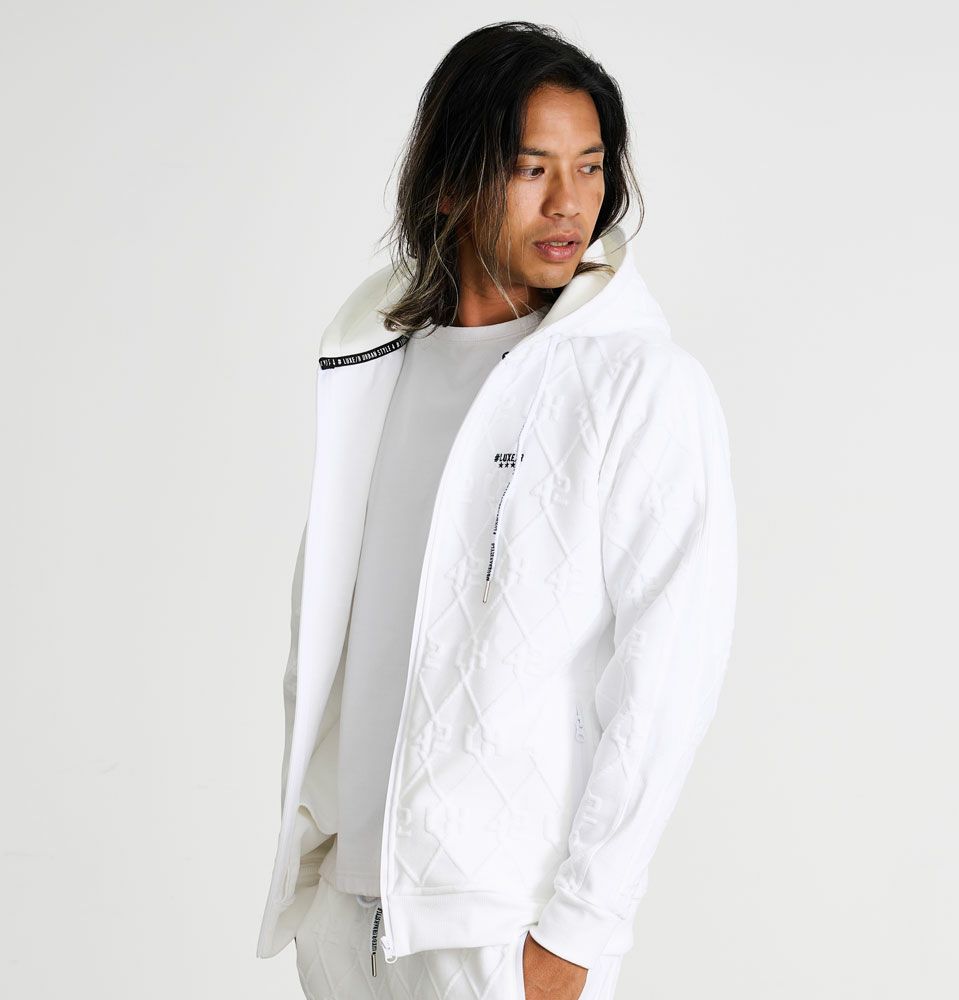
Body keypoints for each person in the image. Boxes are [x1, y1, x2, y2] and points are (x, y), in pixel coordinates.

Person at [256, 20, 738, 1000]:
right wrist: (317, 893)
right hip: (346, 925)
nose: (571, 202)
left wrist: (577, 933)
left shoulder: (638, 386)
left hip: (496, 934)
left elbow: (667, 678)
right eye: (531, 168)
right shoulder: (376, 369)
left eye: (591, 166)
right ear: (449, 181)